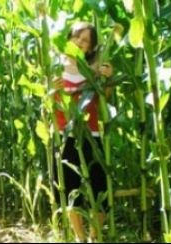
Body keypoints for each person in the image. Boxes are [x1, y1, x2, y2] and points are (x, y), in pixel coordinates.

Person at [53, 21, 113, 242]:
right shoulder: (55, 67)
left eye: (86, 40)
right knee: (70, 190)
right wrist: (51, 88)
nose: (80, 42)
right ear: (69, 38)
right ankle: (79, 238)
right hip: (64, 135)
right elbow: (47, 102)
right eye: (77, 36)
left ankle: (94, 237)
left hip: (92, 133)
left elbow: (104, 98)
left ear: (91, 48)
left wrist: (107, 79)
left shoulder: (94, 70)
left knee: (101, 189)